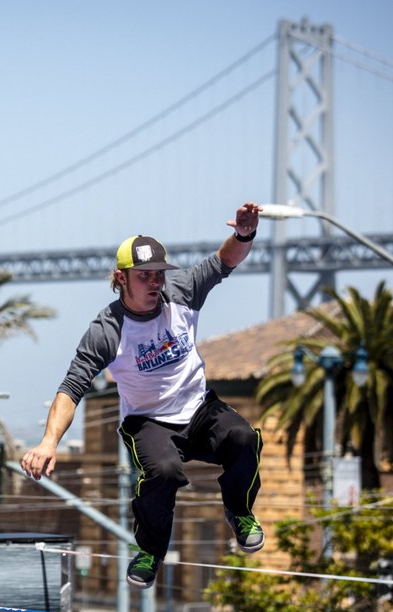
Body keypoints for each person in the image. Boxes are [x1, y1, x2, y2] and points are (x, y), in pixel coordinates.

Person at [20, 202, 265, 589]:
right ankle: (150, 550)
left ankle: (239, 511)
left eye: (158, 275)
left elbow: (223, 262)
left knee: (243, 437)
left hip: (199, 408)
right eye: (144, 276)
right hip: (149, 422)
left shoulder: (182, 291)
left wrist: (244, 235)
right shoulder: (107, 330)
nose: (154, 284)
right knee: (164, 472)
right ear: (121, 278)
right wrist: (49, 442)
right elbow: (72, 387)